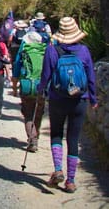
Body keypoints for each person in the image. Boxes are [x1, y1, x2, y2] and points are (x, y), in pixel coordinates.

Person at [38, 17, 98, 193]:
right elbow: (91, 78)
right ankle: (70, 181)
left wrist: (41, 91)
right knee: (73, 138)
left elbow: (45, 75)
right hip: (79, 100)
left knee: (56, 133)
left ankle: (58, 169)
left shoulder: (52, 50)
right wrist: (93, 99)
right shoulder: (84, 51)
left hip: (58, 99)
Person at [14, 31, 47, 152]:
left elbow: (16, 67)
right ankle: (35, 138)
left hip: (27, 86)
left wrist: (14, 85)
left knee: (28, 113)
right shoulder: (45, 50)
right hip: (41, 86)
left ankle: (32, 140)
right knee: (38, 113)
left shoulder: (24, 50)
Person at [10, 19, 29, 96]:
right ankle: (22, 86)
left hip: (15, 49)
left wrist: (9, 46)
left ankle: (14, 90)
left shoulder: (14, 31)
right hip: (23, 49)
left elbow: (10, 39)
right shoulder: (27, 32)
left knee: (15, 66)